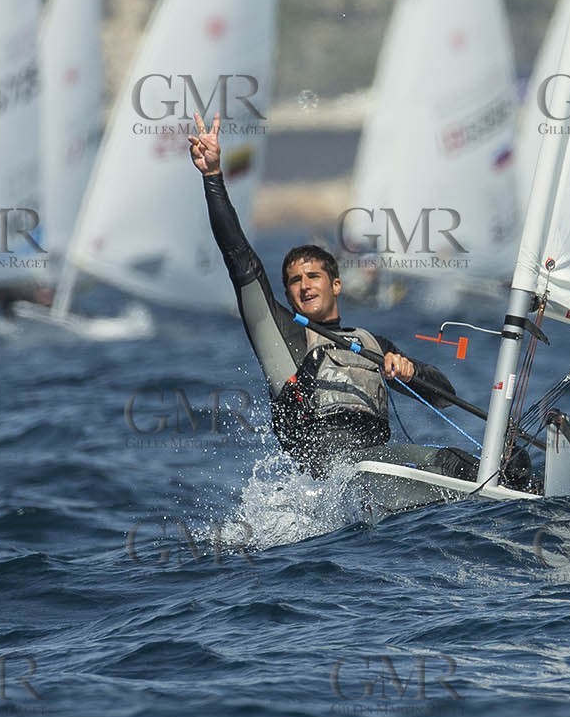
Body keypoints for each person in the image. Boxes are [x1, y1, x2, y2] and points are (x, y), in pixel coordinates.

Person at [189, 111, 458, 475]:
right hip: (324, 477)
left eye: (313, 276)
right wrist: (212, 177)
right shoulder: (279, 334)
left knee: (459, 463)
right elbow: (238, 256)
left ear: (336, 285)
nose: (304, 285)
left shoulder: (372, 343)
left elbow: (445, 398)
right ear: (287, 294)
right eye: (295, 281)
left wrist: (412, 372)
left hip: (378, 467)